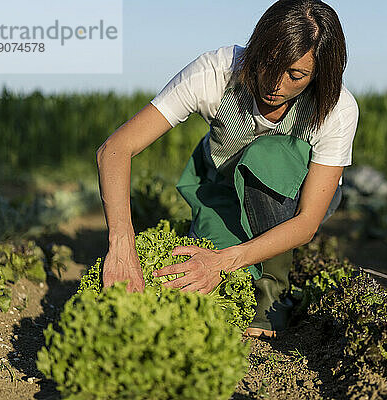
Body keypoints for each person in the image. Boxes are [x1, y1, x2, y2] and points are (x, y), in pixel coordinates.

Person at [96, 0, 359, 338]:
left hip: (297, 200)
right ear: (256, 46)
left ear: (319, 74)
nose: (276, 84)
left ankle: (272, 293)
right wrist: (121, 243)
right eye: (269, 63)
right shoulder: (215, 73)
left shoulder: (336, 109)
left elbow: (306, 222)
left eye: (296, 75)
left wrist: (223, 261)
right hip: (221, 183)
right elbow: (115, 149)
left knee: (266, 155)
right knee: (194, 277)